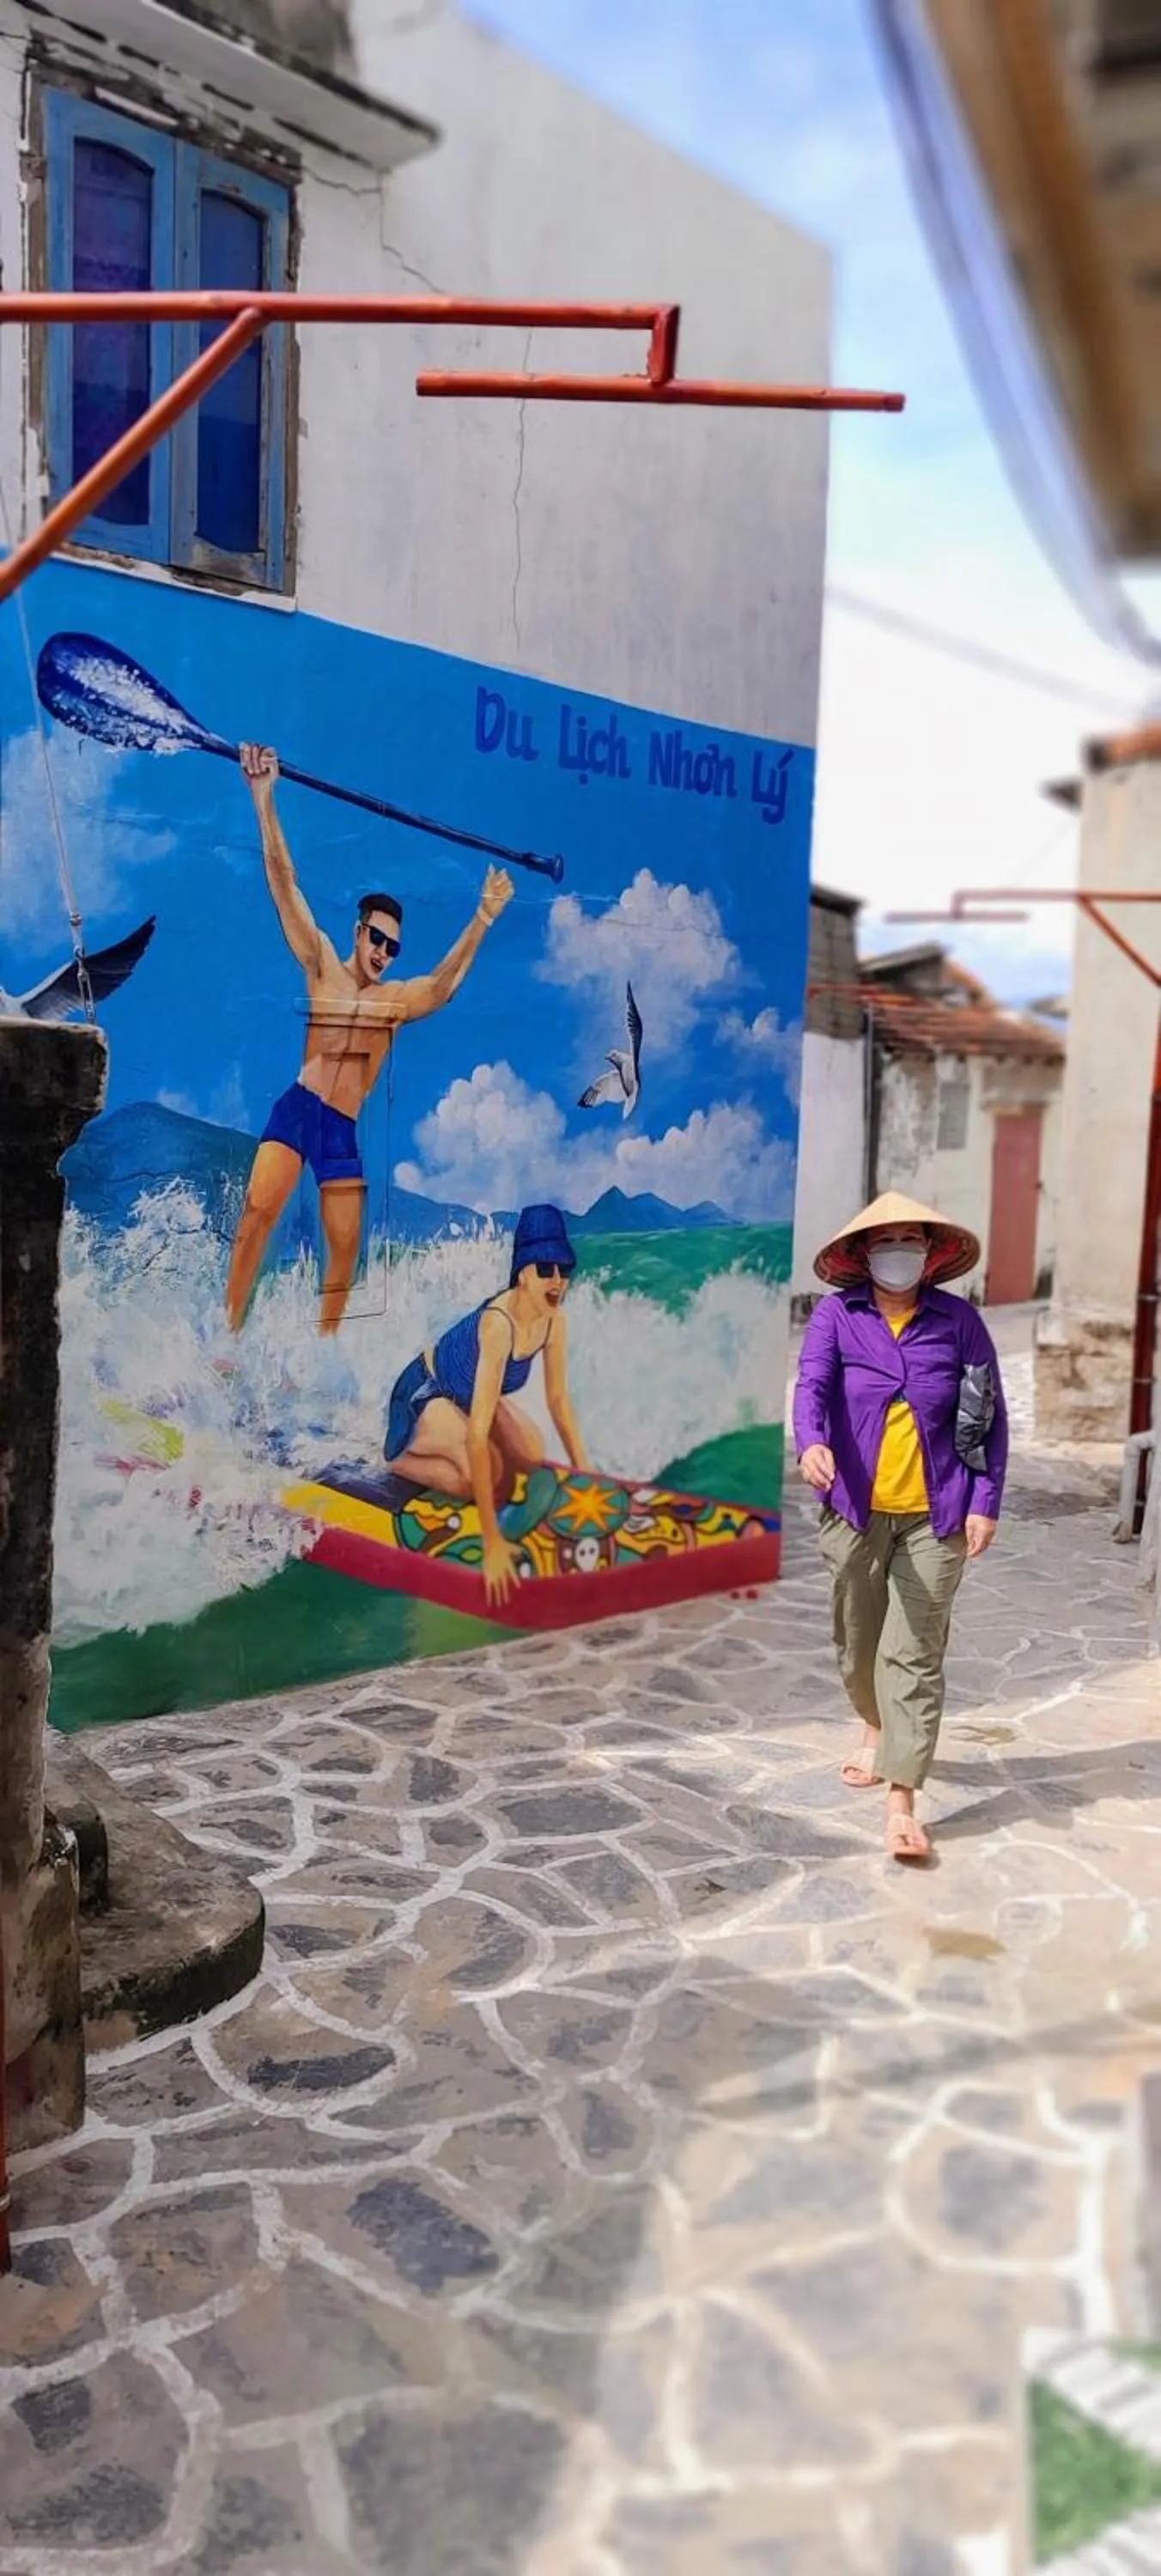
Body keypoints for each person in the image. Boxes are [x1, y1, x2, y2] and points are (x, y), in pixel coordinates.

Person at [225, 744, 514, 1335]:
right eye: (376, 939)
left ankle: (320, 1350)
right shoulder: (321, 966)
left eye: (393, 947)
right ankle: (226, 1331)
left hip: (340, 1126)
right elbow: (283, 882)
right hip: (300, 1109)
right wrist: (263, 798)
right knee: (258, 1210)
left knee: (344, 1250)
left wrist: (483, 918)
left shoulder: (393, 1003)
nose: (383, 952)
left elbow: (443, 987)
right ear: (358, 933)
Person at [793, 1189, 1008, 1864]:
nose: (898, 1252)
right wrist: (811, 1443)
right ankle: (873, 1722)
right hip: (855, 1508)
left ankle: (901, 1803)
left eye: (911, 1240)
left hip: (937, 1516)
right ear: (863, 1254)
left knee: (913, 1650)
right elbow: (811, 1387)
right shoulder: (837, 1316)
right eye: (886, 1242)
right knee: (859, 1640)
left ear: (930, 1251)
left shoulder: (960, 1323)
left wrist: (985, 1500)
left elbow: (988, 1417)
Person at [384, 1205, 589, 1606]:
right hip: (425, 1393)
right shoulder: (498, 1323)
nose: (557, 1280)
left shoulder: (554, 1320)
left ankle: (448, 1442)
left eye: (565, 1270)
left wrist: (585, 1473)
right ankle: (397, 1457)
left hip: (469, 1398)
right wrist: (492, 1541)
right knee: (482, 1477)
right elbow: (477, 1436)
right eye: (545, 1268)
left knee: (532, 1452)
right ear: (522, 1272)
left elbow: (558, 1400)